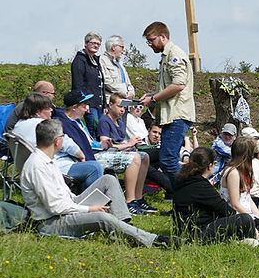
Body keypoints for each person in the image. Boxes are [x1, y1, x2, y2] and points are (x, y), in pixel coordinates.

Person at [20, 118, 179, 247]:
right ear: (57, 141)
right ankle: (153, 240)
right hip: (52, 222)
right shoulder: (37, 166)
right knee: (102, 218)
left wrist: (80, 204)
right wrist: (89, 209)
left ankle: (123, 229)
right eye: (63, 137)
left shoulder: (48, 159)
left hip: (68, 206)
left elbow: (63, 198)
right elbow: (55, 207)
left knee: (108, 180)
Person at [172, 147, 259, 244]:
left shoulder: (182, 180)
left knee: (243, 220)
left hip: (182, 229)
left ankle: (245, 238)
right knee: (245, 219)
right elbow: (225, 210)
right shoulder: (201, 186)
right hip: (198, 233)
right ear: (210, 166)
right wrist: (248, 223)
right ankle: (254, 237)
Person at [138, 21, 195, 181]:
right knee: (168, 159)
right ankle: (183, 200)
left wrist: (154, 99)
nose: (149, 44)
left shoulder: (174, 55)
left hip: (177, 115)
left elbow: (178, 85)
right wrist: (152, 94)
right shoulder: (166, 56)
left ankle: (192, 192)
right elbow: (170, 85)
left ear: (163, 37)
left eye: (152, 40)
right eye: (147, 41)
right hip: (171, 116)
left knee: (168, 160)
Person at [95, 93, 154, 215]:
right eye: (119, 106)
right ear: (110, 105)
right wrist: (128, 144)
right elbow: (105, 145)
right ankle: (129, 200)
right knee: (136, 157)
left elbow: (121, 143)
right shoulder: (104, 121)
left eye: (124, 108)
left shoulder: (121, 123)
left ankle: (138, 197)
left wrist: (131, 144)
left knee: (145, 156)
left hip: (120, 153)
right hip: (105, 154)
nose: (122, 110)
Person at [52, 90, 107, 189]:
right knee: (96, 167)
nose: (87, 109)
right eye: (84, 106)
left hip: (92, 152)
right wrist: (99, 146)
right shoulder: (62, 123)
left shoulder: (78, 122)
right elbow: (72, 146)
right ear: (74, 107)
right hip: (72, 162)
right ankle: (92, 200)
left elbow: (87, 141)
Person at [70, 32, 105, 135]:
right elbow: (78, 84)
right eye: (93, 43)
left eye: (98, 44)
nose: (96, 46)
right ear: (86, 43)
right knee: (94, 130)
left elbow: (101, 83)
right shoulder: (80, 60)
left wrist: (104, 105)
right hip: (89, 104)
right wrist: (84, 103)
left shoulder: (96, 60)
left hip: (99, 104)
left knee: (101, 131)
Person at [100, 35, 135, 103]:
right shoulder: (102, 60)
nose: (123, 50)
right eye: (122, 47)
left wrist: (131, 92)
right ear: (113, 47)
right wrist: (124, 92)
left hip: (124, 102)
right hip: (110, 102)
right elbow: (106, 81)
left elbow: (128, 82)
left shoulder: (120, 64)